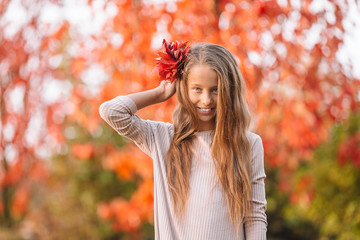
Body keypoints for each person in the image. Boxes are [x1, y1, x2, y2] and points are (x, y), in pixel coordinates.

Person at [99, 40, 267, 239]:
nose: (206, 100)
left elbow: (255, 216)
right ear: (183, 88)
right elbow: (111, 112)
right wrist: (161, 93)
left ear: (229, 91)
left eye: (215, 89)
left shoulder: (249, 144)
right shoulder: (162, 138)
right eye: (197, 89)